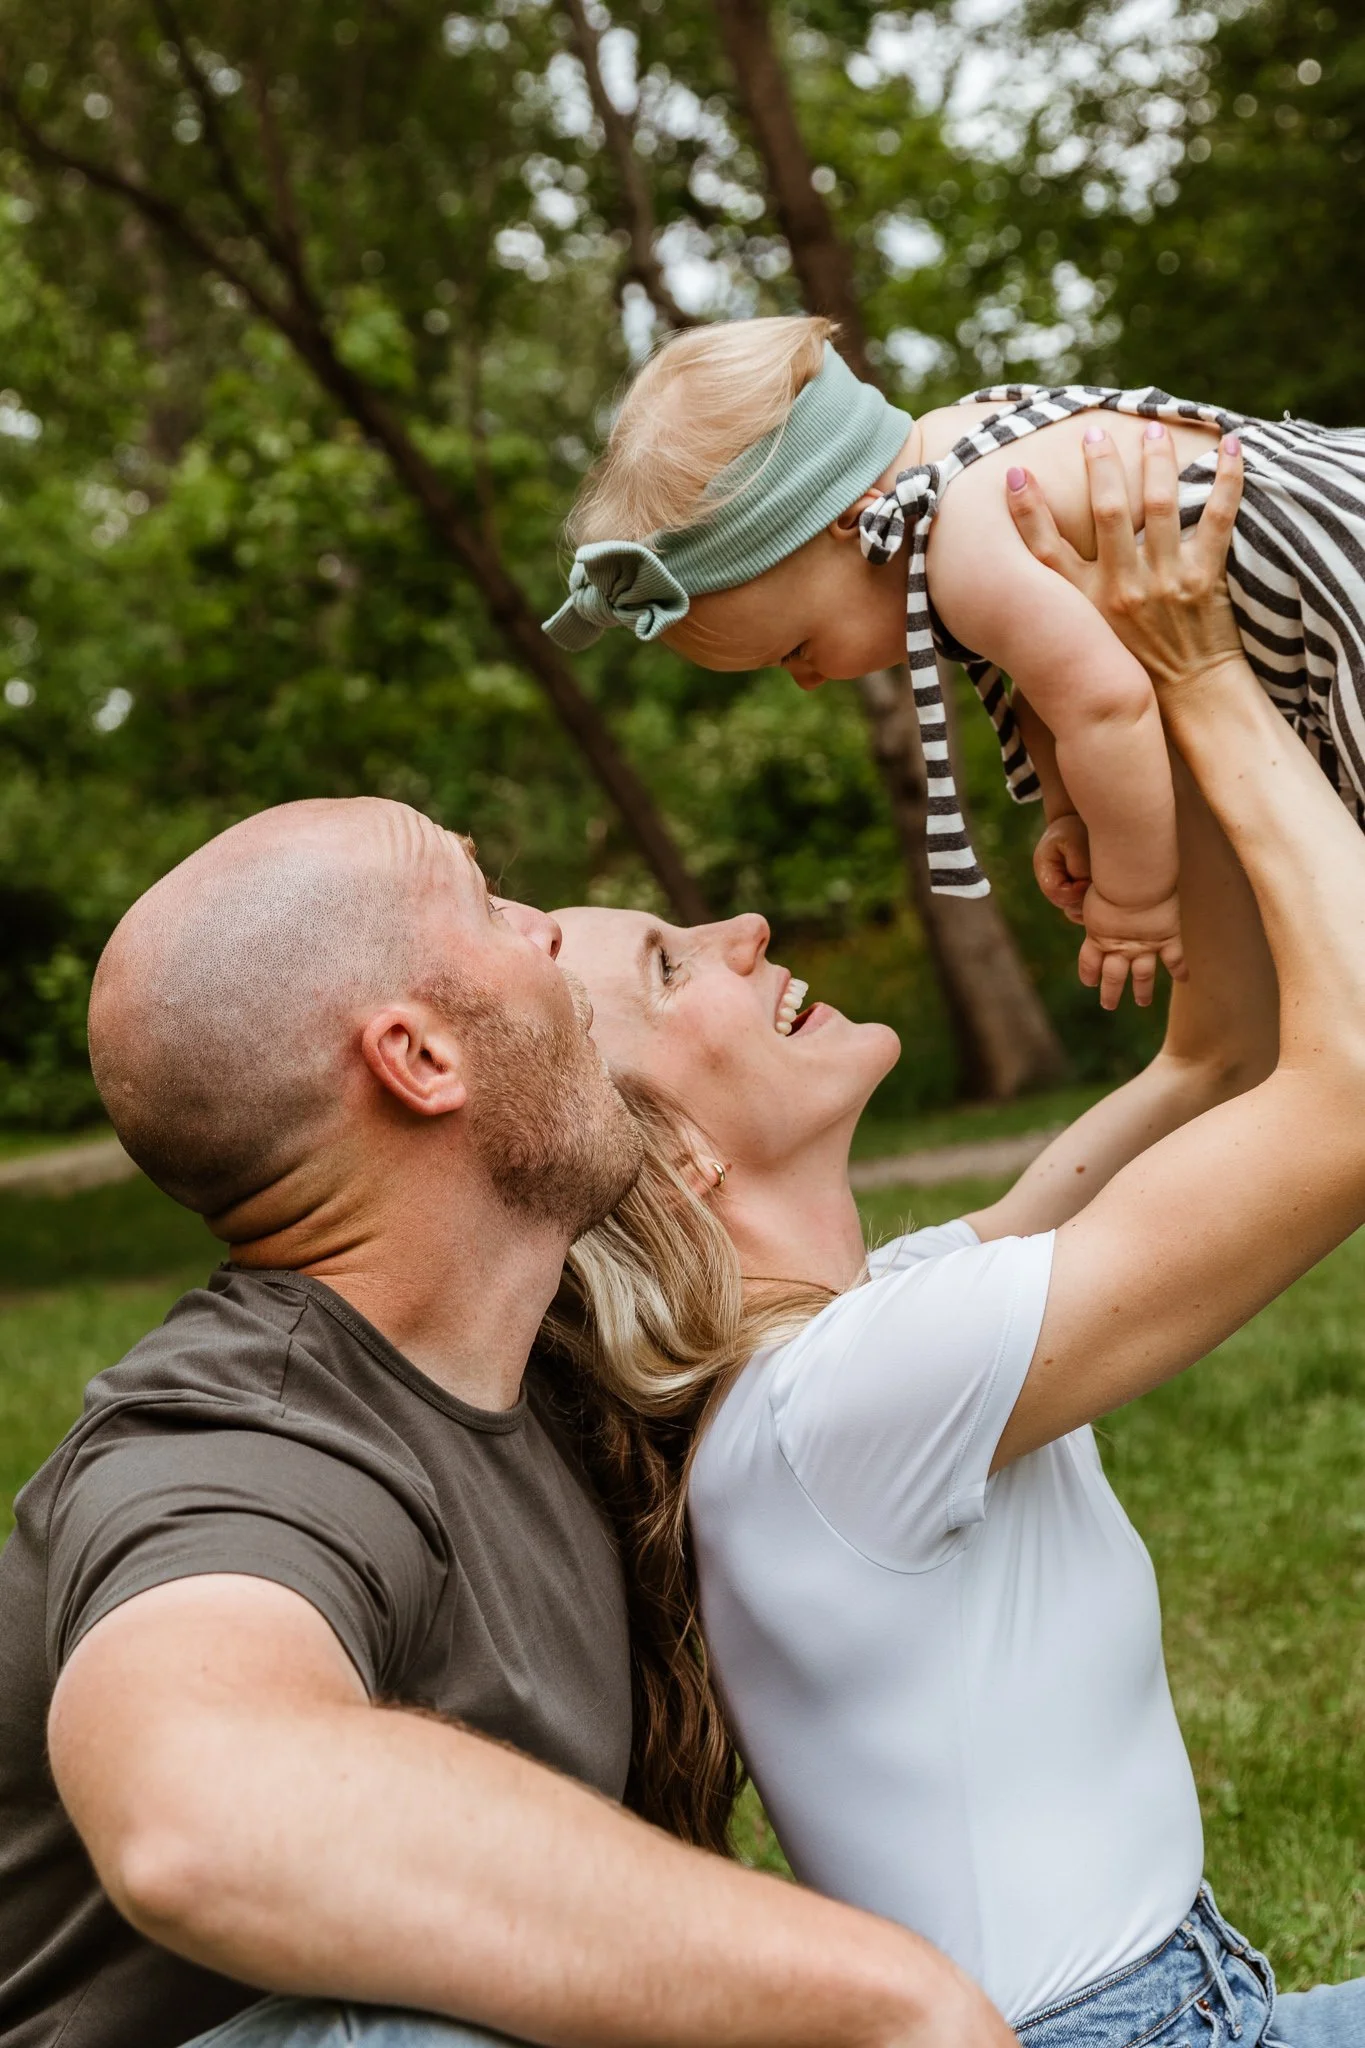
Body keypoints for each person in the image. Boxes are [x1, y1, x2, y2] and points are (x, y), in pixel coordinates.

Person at [547, 430, 1365, 2046]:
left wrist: (1111, 741)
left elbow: (1217, 1062)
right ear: (680, 1152)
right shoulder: (849, 1401)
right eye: (668, 967)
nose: (744, 928)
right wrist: (1199, 670)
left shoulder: (860, 1339)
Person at [0, 798, 1014, 2048]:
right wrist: (890, 1994)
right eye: (487, 903)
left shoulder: (532, 1371)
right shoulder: (240, 1451)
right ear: (420, 1058)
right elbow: (196, 1811)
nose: (546, 931)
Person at [544, 314, 1365, 1010]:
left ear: (848, 520)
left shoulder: (962, 535)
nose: (803, 677)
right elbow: (1049, 682)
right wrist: (1071, 812)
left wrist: (1136, 897)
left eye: (794, 647)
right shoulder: (960, 445)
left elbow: (1106, 706)